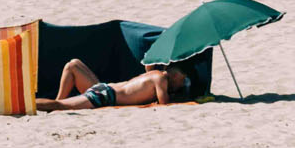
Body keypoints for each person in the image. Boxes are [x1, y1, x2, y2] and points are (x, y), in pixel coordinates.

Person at [37, 60, 193, 111]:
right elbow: (164, 105)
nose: (182, 83)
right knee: (59, 105)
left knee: (73, 64)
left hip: (104, 88)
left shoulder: (152, 73)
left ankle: (55, 106)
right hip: (104, 96)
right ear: (174, 75)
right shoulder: (161, 80)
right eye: (182, 79)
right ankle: (28, 104)